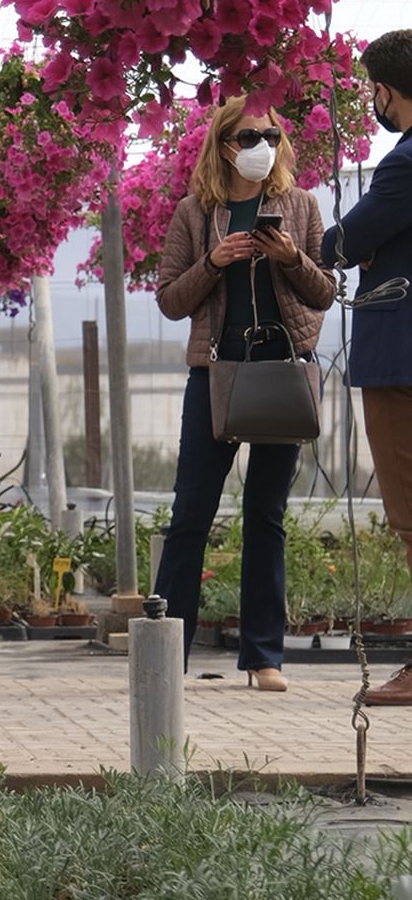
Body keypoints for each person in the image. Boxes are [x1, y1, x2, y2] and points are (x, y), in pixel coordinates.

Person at [153, 97, 333, 692]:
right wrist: (213, 260)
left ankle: (263, 657)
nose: (264, 145)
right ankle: (166, 652)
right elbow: (171, 299)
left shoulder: (301, 205)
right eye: (251, 135)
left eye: (272, 135)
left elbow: (323, 294)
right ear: (225, 143)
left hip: (282, 372)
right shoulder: (195, 211)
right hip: (216, 373)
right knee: (190, 515)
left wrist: (291, 256)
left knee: (266, 515)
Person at [321, 30, 412, 704]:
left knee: (410, 515)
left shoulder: (404, 162)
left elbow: (349, 239)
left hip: (400, 358)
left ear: (385, 90)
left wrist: (323, 243)